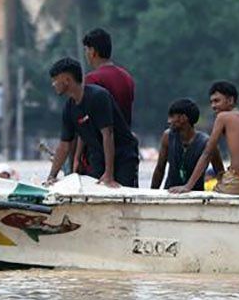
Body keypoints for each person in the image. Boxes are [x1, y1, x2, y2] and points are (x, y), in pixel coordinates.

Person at [44, 57, 140, 188]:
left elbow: (108, 135)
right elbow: (64, 145)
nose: (53, 84)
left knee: (121, 193)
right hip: (97, 157)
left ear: (67, 80)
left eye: (55, 80)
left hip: (123, 156)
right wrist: (51, 176)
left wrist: (109, 174)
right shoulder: (69, 107)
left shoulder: (98, 96)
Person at [150, 98, 225, 191]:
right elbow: (160, 169)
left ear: (183, 118)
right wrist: (152, 193)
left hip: (195, 196)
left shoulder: (206, 142)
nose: (169, 121)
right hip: (170, 192)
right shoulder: (168, 136)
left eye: (172, 117)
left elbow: (220, 173)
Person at [82, 28, 135, 126]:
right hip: (125, 139)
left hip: (103, 140)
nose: (85, 54)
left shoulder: (92, 79)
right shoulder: (127, 76)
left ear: (93, 51)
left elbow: (89, 117)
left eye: (86, 49)